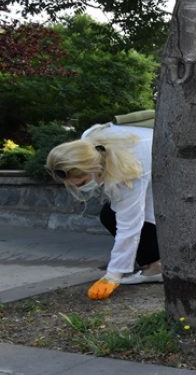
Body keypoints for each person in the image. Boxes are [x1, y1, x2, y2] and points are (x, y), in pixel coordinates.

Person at [45, 110, 162, 301]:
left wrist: (112, 276)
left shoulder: (130, 165)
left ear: (93, 168)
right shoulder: (88, 143)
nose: (80, 188)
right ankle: (155, 265)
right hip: (148, 158)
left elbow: (129, 226)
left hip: (165, 160)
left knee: (120, 216)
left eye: (82, 182)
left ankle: (157, 267)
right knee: (112, 214)